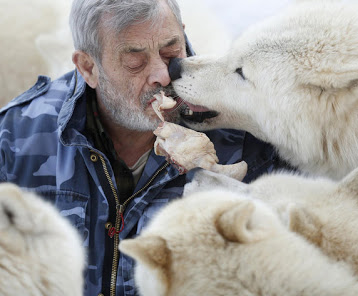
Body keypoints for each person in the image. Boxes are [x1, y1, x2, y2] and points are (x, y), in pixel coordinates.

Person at [0, 0, 289, 295]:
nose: (162, 76)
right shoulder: (17, 134)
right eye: (135, 61)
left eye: (171, 51)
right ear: (88, 68)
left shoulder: (247, 127)